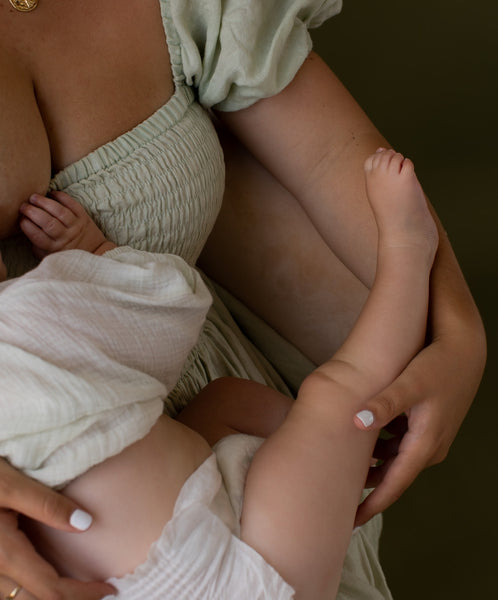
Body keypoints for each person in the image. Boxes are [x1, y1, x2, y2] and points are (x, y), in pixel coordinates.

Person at [0, 1, 486, 599]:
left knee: (328, 407)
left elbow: (328, 155)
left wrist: (459, 334)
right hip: (223, 554)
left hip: (185, 434)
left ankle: (401, 271)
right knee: (331, 409)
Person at [3, 147, 437, 600]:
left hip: (201, 487)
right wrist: (95, 256)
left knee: (228, 401)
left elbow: (142, 320)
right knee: (338, 393)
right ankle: (408, 250)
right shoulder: (28, 313)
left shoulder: (23, 318)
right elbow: (158, 310)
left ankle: (324, 454)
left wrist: (93, 254)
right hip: (249, 580)